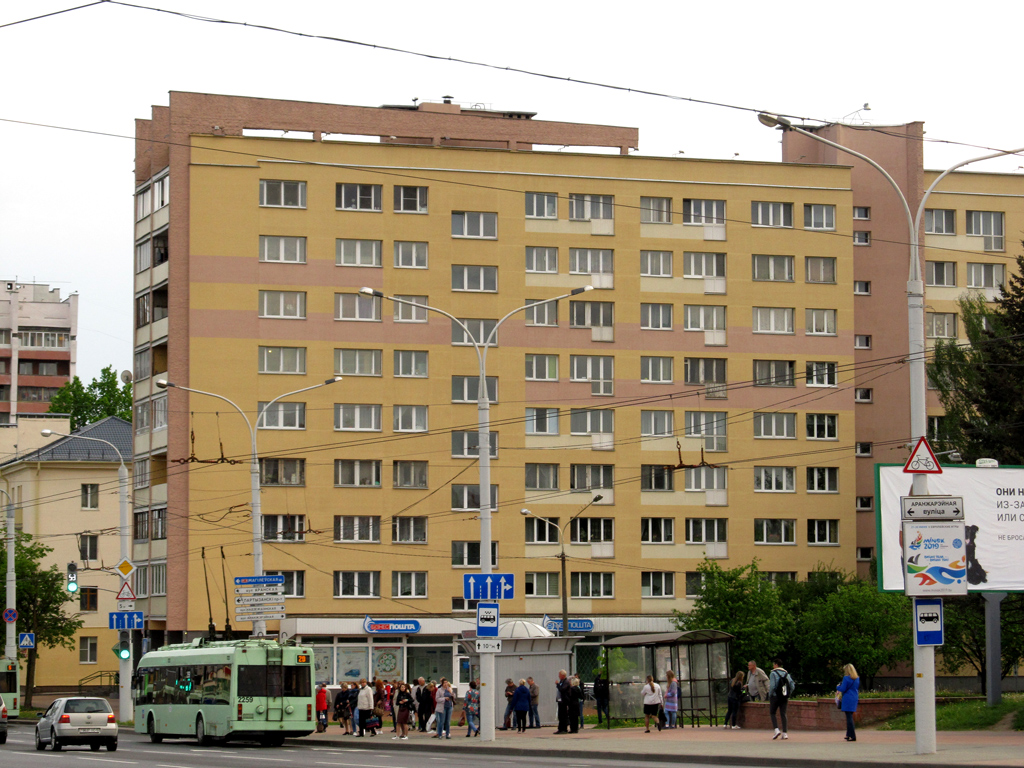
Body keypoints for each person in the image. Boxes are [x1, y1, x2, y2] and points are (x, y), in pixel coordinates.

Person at [768, 658, 795, 740]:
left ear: (776, 665)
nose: (773, 666)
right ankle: (785, 733)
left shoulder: (773, 673)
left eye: (773, 664)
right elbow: (792, 685)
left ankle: (776, 729)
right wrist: (788, 694)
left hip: (775, 696)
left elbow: (772, 686)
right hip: (784, 696)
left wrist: (770, 694)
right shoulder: (786, 674)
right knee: (783, 713)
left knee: (772, 712)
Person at [837, 663, 860, 742]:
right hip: (854, 697)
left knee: (849, 717)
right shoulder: (857, 678)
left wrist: (837, 686)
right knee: (850, 715)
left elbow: (843, 689)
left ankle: (852, 735)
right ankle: (848, 734)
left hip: (847, 698)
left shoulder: (846, 678)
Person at [554, 670, 570, 734]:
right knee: (560, 715)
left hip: (564, 701)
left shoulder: (566, 682)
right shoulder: (561, 681)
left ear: (563, 675)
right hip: (560, 700)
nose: (558, 676)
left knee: (564, 715)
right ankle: (560, 728)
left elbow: (562, 689)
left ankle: (564, 729)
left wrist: (557, 684)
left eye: (559, 675)